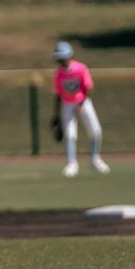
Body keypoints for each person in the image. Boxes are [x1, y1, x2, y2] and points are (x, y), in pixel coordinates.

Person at [52, 41, 110, 178]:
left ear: (69, 56)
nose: (61, 61)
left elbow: (88, 87)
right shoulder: (59, 74)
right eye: (59, 59)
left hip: (83, 102)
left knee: (95, 130)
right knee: (70, 134)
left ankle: (95, 159)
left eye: (62, 57)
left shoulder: (80, 68)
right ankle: (72, 163)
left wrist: (81, 104)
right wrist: (57, 115)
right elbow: (58, 95)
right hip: (67, 104)